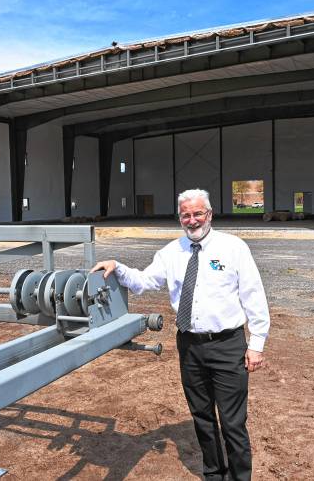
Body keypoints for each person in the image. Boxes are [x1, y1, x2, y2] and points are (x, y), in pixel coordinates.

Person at [91, 188, 270, 481]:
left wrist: (257, 344)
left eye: (198, 213)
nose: (192, 220)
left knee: (232, 422)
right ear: (180, 218)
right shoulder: (171, 253)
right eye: (186, 215)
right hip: (189, 346)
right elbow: (144, 281)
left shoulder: (233, 248)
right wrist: (117, 266)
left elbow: (254, 296)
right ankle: (214, 474)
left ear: (209, 214)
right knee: (202, 417)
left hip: (227, 345)